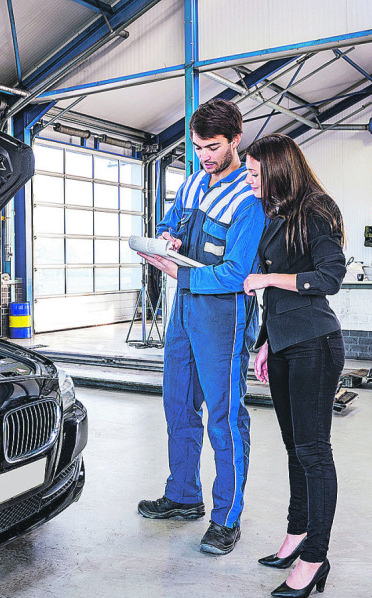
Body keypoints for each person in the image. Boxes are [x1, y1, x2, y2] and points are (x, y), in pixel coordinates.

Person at [137, 99, 267, 556]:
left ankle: (227, 517)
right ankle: (182, 495)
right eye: (196, 148)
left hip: (224, 316)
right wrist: (165, 237)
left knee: (225, 417)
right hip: (184, 312)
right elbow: (170, 223)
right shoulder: (190, 184)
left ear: (236, 139)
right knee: (177, 404)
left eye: (212, 147)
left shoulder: (251, 199)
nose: (204, 157)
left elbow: (235, 273)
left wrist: (177, 273)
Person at [241, 133, 346, 598]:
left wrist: (264, 277)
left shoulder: (316, 210)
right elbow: (277, 298)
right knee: (293, 449)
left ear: (279, 170)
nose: (248, 178)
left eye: (254, 172)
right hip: (284, 344)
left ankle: (315, 557)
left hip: (314, 345)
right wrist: (265, 342)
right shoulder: (276, 214)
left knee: (313, 452)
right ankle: (296, 534)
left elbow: (330, 277)